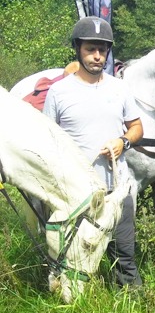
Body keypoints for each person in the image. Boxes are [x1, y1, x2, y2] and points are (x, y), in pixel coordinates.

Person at [43, 17, 144, 288]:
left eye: (102, 50)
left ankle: (134, 310)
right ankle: (73, 311)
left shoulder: (119, 88)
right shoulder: (58, 92)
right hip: (76, 194)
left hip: (116, 190)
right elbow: (48, 141)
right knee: (73, 258)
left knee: (125, 257)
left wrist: (123, 141)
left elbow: (136, 127)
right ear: (78, 48)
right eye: (90, 49)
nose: (97, 56)